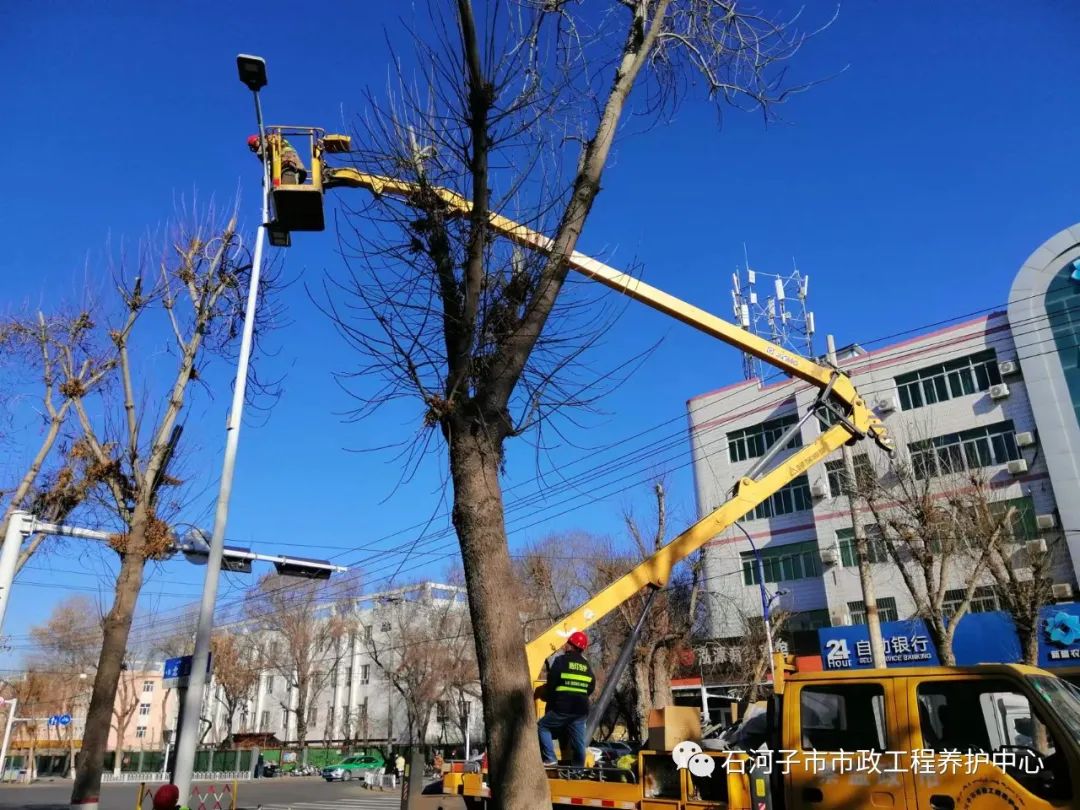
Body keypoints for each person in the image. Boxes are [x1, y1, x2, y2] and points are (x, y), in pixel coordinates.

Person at [537, 630, 595, 767]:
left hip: (563, 708)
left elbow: (552, 684)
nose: (565, 645)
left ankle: (550, 758)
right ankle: (578, 771)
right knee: (579, 744)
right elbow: (591, 687)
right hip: (581, 711)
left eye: (567, 643)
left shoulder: (561, 661)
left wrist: (548, 697)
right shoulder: (586, 665)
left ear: (571, 645)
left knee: (543, 726)